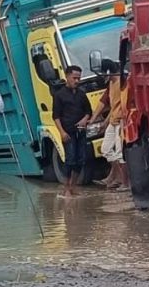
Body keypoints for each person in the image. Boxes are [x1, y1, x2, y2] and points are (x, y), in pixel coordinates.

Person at [52, 65, 92, 198]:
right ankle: (66, 187)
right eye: (74, 78)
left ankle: (73, 186)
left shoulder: (81, 94)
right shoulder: (59, 95)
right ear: (67, 76)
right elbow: (56, 116)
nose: (77, 81)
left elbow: (88, 111)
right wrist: (62, 132)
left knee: (81, 160)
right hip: (68, 132)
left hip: (81, 131)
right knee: (70, 160)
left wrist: (85, 120)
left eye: (79, 78)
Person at [89, 60, 129, 191]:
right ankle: (117, 177)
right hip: (113, 121)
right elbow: (112, 106)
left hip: (121, 121)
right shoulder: (111, 84)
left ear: (108, 72)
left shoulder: (123, 83)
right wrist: (105, 123)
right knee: (106, 149)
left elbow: (121, 105)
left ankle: (125, 183)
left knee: (119, 153)